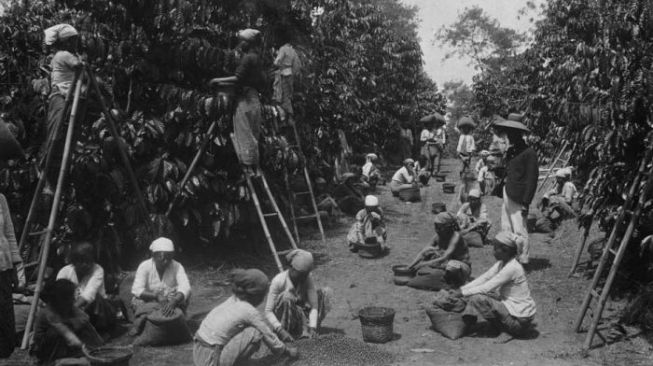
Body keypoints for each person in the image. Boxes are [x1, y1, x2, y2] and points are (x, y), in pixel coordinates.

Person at [193, 269, 298, 366]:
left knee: (242, 329)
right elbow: (268, 335)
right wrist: (286, 351)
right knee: (254, 332)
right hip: (211, 358)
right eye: (263, 296)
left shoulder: (232, 299)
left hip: (198, 351)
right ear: (256, 295)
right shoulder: (249, 311)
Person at [452, 231, 536, 342]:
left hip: (519, 323)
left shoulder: (512, 268)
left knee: (477, 298)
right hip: (517, 316)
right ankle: (497, 326)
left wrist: (461, 293)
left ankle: (504, 330)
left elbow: (486, 287)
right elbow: (484, 278)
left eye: (495, 249)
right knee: (483, 294)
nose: (493, 252)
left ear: (505, 250)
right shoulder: (502, 263)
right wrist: (462, 289)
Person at [210, 29, 266, 175]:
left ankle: (248, 167)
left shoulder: (248, 58)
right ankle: (255, 167)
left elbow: (238, 78)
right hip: (255, 100)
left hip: (245, 100)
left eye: (243, 42)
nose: (241, 45)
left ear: (249, 43)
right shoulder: (258, 58)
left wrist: (217, 80)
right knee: (253, 134)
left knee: (244, 132)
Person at [41, 24, 84, 192]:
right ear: (66, 42)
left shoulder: (61, 55)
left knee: (60, 133)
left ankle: (52, 165)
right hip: (61, 98)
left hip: (65, 98)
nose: (75, 44)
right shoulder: (64, 55)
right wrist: (83, 59)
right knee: (56, 132)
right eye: (73, 41)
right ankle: (48, 161)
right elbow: (80, 67)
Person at [493, 115, 538, 265]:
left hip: (518, 196)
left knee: (519, 228)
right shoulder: (512, 151)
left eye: (511, 133)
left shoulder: (529, 152)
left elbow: (532, 179)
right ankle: (510, 255)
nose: (508, 136)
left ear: (518, 134)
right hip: (508, 191)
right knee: (506, 226)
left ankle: (523, 258)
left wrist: (526, 202)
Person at [30, 279, 103, 366]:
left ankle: (92, 352)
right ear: (59, 298)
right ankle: (56, 361)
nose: (72, 299)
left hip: (68, 343)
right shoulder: (48, 312)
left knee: (83, 326)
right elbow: (66, 333)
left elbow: (85, 318)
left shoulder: (69, 307)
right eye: (69, 296)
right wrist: (71, 326)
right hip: (47, 349)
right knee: (56, 331)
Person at [130, 237, 191, 336]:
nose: (166, 261)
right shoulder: (144, 266)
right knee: (138, 302)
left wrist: (174, 301)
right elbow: (137, 289)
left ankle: (165, 320)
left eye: (169, 257)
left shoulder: (177, 266)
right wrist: (155, 296)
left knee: (182, 300)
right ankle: (146, 321)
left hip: (170, 302)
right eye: (162, 258)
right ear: (153, 255)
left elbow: (186, 287)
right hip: (149, 301)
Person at [265, 250, 331, 341]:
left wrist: (312, 327)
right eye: (301, 274)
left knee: (325, 292)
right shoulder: (278, 281)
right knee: (286, 297)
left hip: (300, 314)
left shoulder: (307, 279)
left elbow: (314, 306)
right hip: (284, 317)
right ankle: (285, 332)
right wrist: (280, 330)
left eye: (306, 274)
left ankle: (307, 329)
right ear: (291, 268)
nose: (303, 277)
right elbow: (268, 311)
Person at [0, 120, 25, 359]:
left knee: (5, 335)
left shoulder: (1, 200)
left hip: (3, 271)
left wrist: (17, 267)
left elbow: (9, 235)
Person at [56, 242, 116, 333]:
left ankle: (100, 331)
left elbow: (88, 295)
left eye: (89, 261)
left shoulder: (97, 270)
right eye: (82, 261)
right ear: (74, 262)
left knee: (96, 300)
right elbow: (58, 296)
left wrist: (70, 312)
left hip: (98, 312)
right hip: (75, 311)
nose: (86, 265)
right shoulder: (64, 272)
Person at [407, 212, 471, 291]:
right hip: (444, 265)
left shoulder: (456, 236)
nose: (437, 229)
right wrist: (410, 266)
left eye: (439, 226)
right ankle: (440, 279)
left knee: (452, 265)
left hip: (460, 267)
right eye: (436, 226)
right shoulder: (438, 236)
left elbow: (445, 257)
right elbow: (424, 252)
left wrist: (423, 264)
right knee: (429, 252)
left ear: (448, 226)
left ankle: (452, 284)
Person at [272, 29, 301, 118]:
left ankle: (284, 116)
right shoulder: (293, 51)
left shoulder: (283, 49)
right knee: (287, 96)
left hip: (282, 74)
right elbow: (298, 65)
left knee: (280, 96)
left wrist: (277, 63)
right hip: (290, 74)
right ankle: (289, 116)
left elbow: (276, 62)